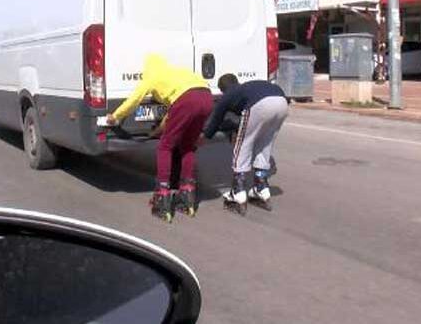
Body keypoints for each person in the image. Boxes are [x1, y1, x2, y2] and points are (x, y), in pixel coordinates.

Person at [107, 54, 213, 222]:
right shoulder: (177, 72)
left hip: (186, 101)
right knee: (187, 146)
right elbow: (174, 111)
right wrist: (158, 130)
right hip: (207, 98)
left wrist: (115, 116)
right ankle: (187, 194)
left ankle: (162, 196)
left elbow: (134, 100)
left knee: (165, 147)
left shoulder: (152, 77)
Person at [202, 74, 288, 214]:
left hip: (260, 105)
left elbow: (216, 119)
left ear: (222, 88)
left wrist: (206, 136)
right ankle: (261, 188)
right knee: (265, 144)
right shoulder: (245, 88)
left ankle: (238, 191)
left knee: (243, 144)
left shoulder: (228, 94)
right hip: (281, 102)